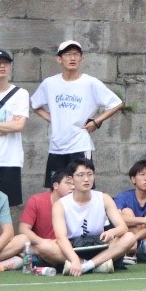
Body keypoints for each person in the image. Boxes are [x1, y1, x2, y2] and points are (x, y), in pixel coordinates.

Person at [31, 40, 123, 185]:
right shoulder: (50, 83)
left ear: (82, 59)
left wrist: (96, 121)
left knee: (82, 186)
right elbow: (35, 104)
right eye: (68, 54)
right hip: (57, 145)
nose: (72, 58)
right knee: (57, 187)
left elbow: (116, 103)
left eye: (76, 54)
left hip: (80, 145)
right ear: (59, 59)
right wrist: (53, 119)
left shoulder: (90, 82)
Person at [50, 158, 136, 275]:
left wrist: (112, 232)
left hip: (100, 246)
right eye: (80, 175)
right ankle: (93, 265)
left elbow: (123, 227)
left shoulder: (104, 198)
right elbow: (61, 237)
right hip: (73, 247)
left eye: (90, 174)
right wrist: (74, 259)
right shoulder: (60, 204)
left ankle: (87, 266)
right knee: (45, 246)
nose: (86, 179)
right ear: (71, 179)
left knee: (129, 237)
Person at [0, 49, 27, 208]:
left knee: (4, 209)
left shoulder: (20, 94)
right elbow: (14, 126)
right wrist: (9, 126)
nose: (2, 66)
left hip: (10, 159)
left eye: (6, 62)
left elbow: (19, 125)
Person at [14, 167, 76, 269]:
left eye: (74, 184)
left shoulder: (78, 204)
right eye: (68, 183)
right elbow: (23, 229)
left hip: (64, 249)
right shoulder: (36, 200)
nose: (73, 187)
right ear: (56, 185)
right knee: (21, 241)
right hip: (39, 248)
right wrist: (41, 242)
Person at [112, 158, 146, 264]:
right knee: (126, 211)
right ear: (133, 179)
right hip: (131, 245)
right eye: (142, 174)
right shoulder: (123, 197)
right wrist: (145, 221)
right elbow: (116, 219)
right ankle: (132, 252)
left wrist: (133, 239)